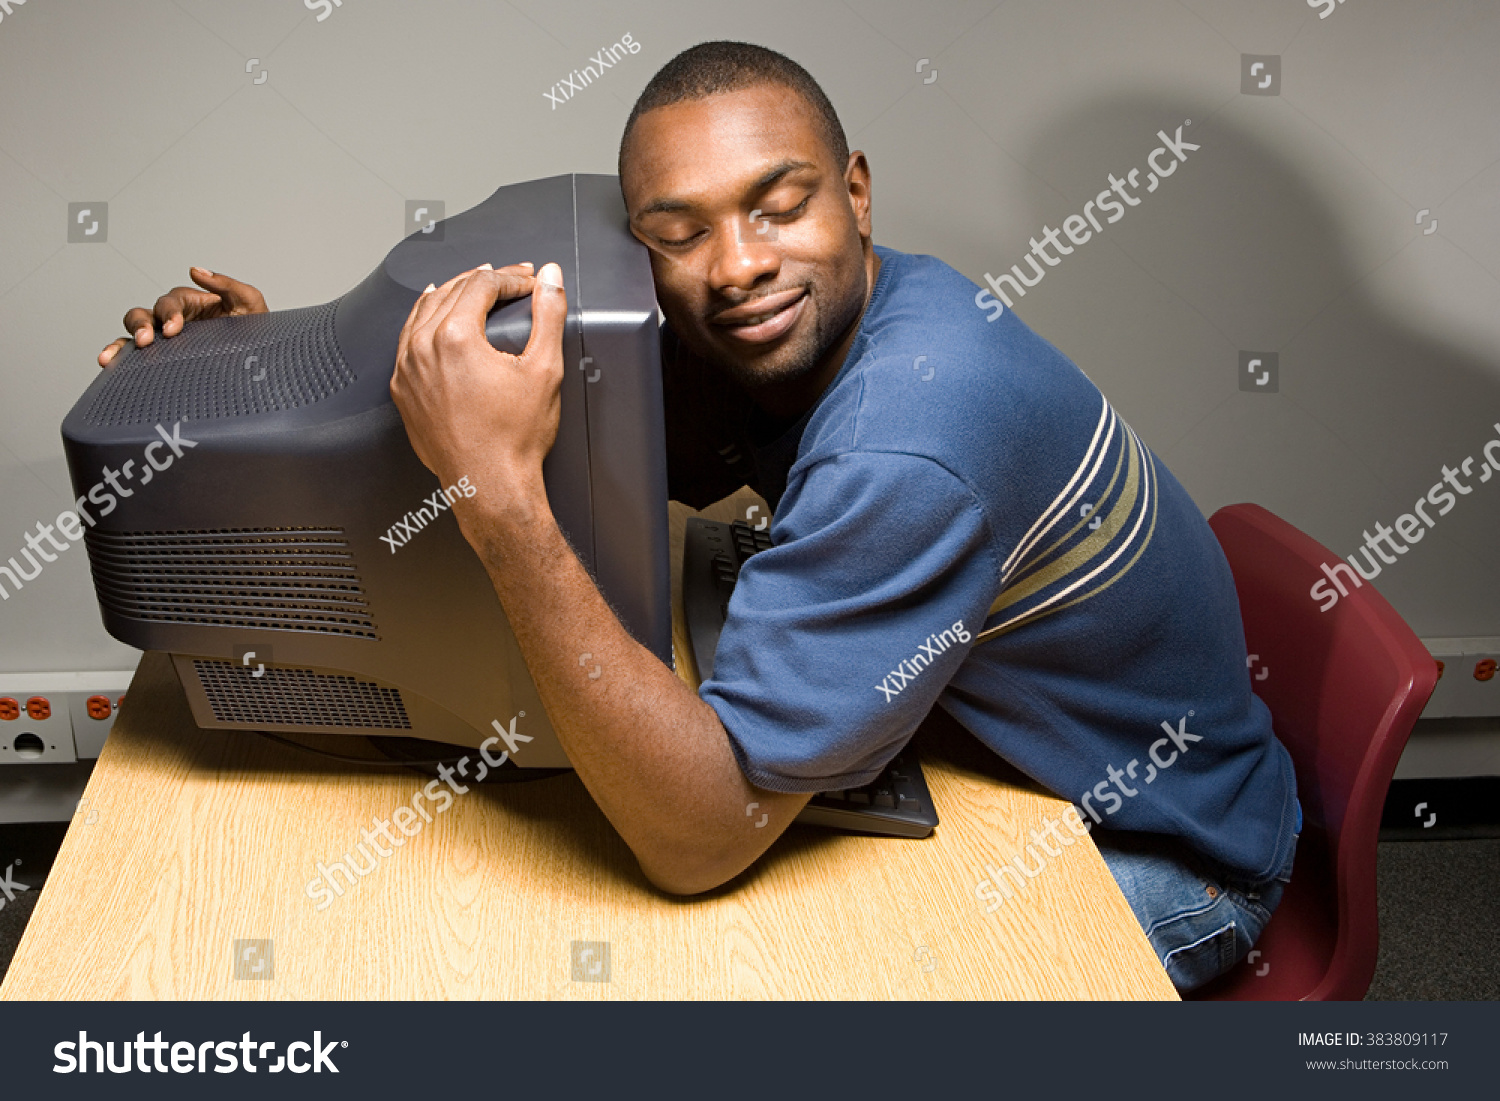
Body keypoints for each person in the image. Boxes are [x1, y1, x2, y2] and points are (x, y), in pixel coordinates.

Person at [96, 41, 1298, 993]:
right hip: (1023, 767)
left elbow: (698, 841)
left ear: (858, 192)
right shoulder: (826, 331)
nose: (736, 268)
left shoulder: (914, 430)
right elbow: (603, 438)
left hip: (1167, 861)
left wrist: (506, 507)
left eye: (779, 207)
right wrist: (263, 379)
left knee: (727, 990)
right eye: (679, 236)